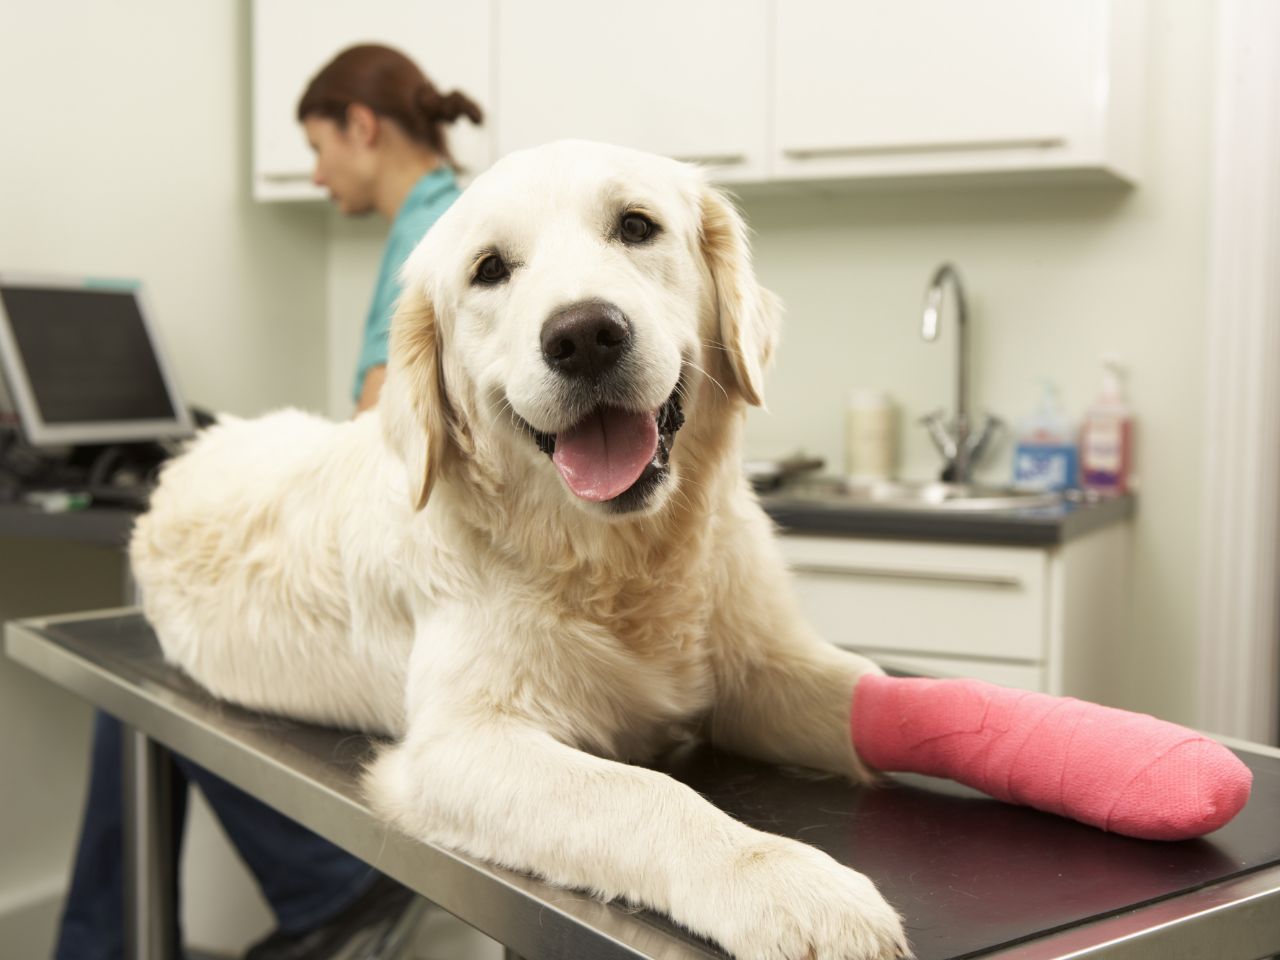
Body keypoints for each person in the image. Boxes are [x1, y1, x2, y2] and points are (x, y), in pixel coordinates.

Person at [54, 44, 482, 960]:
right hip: (447, 578)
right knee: (163, 638)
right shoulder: (451, 218)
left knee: (161, 631)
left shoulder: (432, 240)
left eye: (320, 146)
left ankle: (324, 887)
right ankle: (294, 893)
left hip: (436, 597)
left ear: (361, 127)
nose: (318, 173)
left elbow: (386, 448)